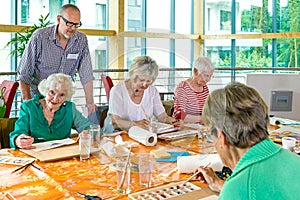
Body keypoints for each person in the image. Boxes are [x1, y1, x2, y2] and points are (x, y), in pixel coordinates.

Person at [195, 82, 300, 199]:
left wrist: (232, 190)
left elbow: (248, 190)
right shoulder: (294, 161)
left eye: (211, 136)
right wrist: (223, 185)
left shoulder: (238, 188)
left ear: (221, 136)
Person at [17, 4, 96, 115]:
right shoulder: (40, 37)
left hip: (62, 104)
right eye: (69, 23)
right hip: (38, 102)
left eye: (76, 24)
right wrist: (29, 105)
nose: (73, 28)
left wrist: (90, 102)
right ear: (59, 19)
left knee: (62, 132)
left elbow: (86, 74)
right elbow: (24, 74)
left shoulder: (81, 40)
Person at [10, 73, 95, 150]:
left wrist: (87, 133)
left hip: (62, 157)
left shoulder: (69, 108)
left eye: (61, 95)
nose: (55, 99)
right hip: (35, 155)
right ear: (45, 90)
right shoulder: (28, 107)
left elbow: (91, 128)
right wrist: (18, 140)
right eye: (52, 92)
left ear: (67, 96)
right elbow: (18, 133)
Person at [104, 55, 177, 133]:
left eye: (149, 81)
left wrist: (173, 121)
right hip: (117, 134)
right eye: (142, 80)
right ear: (133, 76)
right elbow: (115, 122)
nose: (145, 84)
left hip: (141, 134)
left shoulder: (152, 91)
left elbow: (162, 116)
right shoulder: (117, 91)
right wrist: (134, 124)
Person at [172, 56, 214, 123]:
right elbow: (179, 114)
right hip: (184, 126)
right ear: (195, 71)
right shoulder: (183, 88)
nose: (208, 80)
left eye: (210, 76)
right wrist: (201, 119)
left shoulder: (204, 88)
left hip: (199, 127)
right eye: (206, 76)